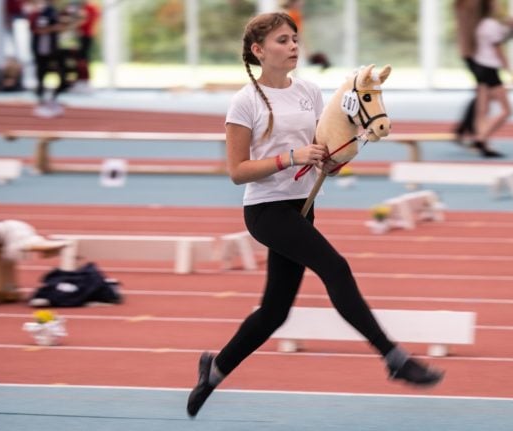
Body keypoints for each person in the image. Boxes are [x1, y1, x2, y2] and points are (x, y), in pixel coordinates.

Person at [186, 12, 444, 418]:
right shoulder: (245, 102)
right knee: (336, 268)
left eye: (294, 39)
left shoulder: (308, 90)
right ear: (258, 51)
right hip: (266, 211)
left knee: (275, 311)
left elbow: (321, 147)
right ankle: (394, 357)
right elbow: (237, 172)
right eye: (282, 41)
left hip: (302, 207)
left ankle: (214, 371)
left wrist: (334, 160)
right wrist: (290, 158)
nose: (293, 47)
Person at [471, 0, 513, 157]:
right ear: (490, 6)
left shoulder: (480, 24)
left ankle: (482, 143)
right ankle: (481, 138)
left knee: (482, 110)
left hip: (479, 67)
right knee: (507, 110)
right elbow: (499, 51)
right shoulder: (492, 25)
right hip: (490, 69)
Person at [28, 0, 69, 117]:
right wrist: (55, 28)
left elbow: (61, 28)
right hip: (41, 51)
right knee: (41, 76)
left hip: (54, 50)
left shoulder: (56, 12)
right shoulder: (39, 13)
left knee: (62, 77)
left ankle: (52, 99)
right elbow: (38, 29)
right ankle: (43, 103)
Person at [453, 0, 482, 146]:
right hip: (474, 53)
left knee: (482, 93)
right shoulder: (467, 5)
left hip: (474, 52)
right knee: (484, 93)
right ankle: (469, 130)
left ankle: (465, 129)